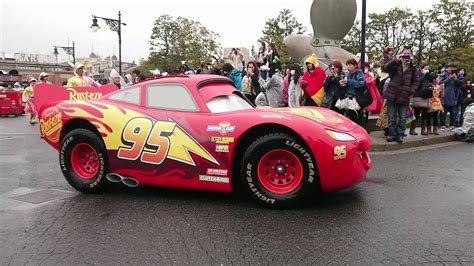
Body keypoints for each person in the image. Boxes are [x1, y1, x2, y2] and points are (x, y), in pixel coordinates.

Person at [383, 46, 420, 143]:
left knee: (402, 118)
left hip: (404, 96)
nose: (406, 56)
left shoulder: (413, 68)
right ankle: (392, 134)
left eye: (408, 54)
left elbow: (416, 81)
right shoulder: (396, 64)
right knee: (391, 117)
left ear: (411, 55)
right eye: (405, 54)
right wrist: (395, 60)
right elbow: (386, 68)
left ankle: (399, 135)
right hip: (392, 95)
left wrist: (410, 91)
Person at [339, 59, 366, 125]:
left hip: (356, 98)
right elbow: (349, 86)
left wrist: (348, 81)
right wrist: (343, 84)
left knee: (356, 117)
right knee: (351, 117)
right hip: (350, 98)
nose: (348, 66)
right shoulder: (349, 74)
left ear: (355, 65)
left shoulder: (358, 73)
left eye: (350, 65)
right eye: (347, 65)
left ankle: (359, 132)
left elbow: (361, 83)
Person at [440, 63, 465, 129]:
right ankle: (442, 124)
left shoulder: (458, 75)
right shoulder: (443, 74)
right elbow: (441, 83)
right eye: (451, 67)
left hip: (455, 96)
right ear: (447, 68)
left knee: (453, 111)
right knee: (443, 112)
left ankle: (452, 124)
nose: (452, 69)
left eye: (454, 68)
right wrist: (449, 78)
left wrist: (455, 79)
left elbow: (461, 84)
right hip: (444, 96)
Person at [409, 63, 431, 135]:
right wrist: (424, 76)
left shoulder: (428, 76)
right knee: (416, 114)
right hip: (418, 96)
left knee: (425, 114)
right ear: (421, 69)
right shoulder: (417, 74)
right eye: (426, 68)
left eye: (428, 69)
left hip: (426, 96)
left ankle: (423, 129)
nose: (427, 70)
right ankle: (412, 129)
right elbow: (417, 82)